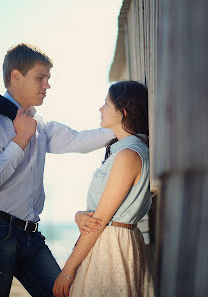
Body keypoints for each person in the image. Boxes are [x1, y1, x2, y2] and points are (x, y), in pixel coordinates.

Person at [0, 43, 113, 297]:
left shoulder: (38, 122)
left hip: (31, 236)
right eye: (41, 77)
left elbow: (78, 140)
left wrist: (125, 128)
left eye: (48, 79)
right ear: (16, 76)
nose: (47, 85)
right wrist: (20, 141)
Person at [53, 80, 152, 297]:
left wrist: (68, 271)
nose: (100, 109)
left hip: (110, 247)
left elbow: (99, 221)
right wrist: (79, 216)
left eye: (106, 104)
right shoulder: (130, 150)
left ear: (122, 112)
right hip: (115, 242)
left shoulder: (128, 155)